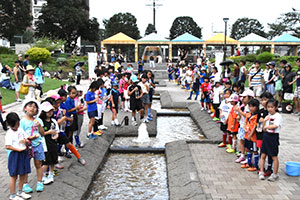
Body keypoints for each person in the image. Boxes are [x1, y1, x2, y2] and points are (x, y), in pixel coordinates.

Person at [20, 99, 45, 193]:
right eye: (30, 106)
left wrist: (39, 126)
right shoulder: (22, 122)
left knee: (38, 164)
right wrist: (28, 138)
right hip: (27, 146)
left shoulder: (38, 120)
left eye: (35, 107)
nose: (32, 108)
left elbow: (42, 134)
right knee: (25, 165)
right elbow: (20, 135)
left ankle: (39, 182)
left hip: (37, 145)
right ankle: (25, 184)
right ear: (25, 108)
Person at [5, 112, 32, 200]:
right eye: (14, 125)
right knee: (14, 176)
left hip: (23, 153)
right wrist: (18, 149)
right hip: (15, 155)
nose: (16, 126)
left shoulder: (20, 130)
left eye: (17, 124)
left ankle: (20, 192)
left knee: (23, 174)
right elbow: (8, 146)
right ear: (9, 124)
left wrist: (25, 141)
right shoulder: (9, 133)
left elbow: (27, 138)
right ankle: (12, 195)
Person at [259, 99, 283, 181]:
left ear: (276, 107)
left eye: (272, 107)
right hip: (266, 136)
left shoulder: (278, 116)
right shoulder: (267, 116)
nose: (269, 109)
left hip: (273, 137)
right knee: (263, 155)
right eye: (268, 107)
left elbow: (275, 126)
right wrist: (265, 122)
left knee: (274, 156)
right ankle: (261, 171)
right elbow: (263, 129)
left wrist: (266, 126)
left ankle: (275, 174)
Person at [39, 101, 59, 185]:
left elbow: (57, 131)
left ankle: (51, 174)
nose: (50, 113)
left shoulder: (53, 121)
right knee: (46, 162)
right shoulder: (40, 122)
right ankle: (42, 176)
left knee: (53, 160)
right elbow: (41, 133)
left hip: (53, 143)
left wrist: (56, 135)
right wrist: (49, 132)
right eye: (48, 111)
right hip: (45, 144)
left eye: (51, 111)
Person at [256, 92, 273, 176]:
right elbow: (257, 122)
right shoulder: (260, 111)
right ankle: (261, 167)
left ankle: (269, 168)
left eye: (265, 100)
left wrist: (265, 121)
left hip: (269, 135)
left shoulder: (272, 113)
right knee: (262, 151)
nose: (263, 102)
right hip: (260, 134)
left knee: (270, 151)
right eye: (262, 100)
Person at [242, 99, 260, 171]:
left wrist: (250, 134)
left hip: (253, 137)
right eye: (250, 106)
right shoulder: (248, 114)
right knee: (248, 149)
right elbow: (245, 122)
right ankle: (249, 163)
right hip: (247, 135)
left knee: (254, 150)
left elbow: (255, 126)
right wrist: (245, 129)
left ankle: (255, 165)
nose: (251, 108)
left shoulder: (257, 116)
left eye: (253, 106)